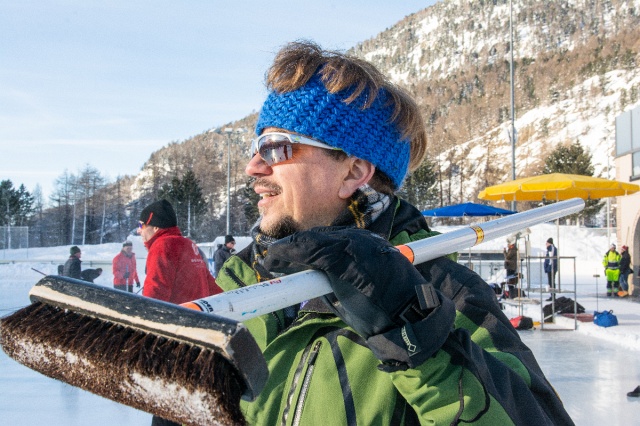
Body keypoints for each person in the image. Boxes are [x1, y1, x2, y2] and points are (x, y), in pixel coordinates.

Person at [213, 41, 573, 424]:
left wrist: (416, 335)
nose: (253, 167)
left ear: (353, 173)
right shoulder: (240, 282)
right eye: (256, 147)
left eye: (275, 148)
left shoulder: (446, 294)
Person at [137, 199, 222, 426]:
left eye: (141, 225)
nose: (139, 231)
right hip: (198, 338)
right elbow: (212, 288)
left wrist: (142, 335)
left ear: (155, 226)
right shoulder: (188, 244)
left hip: (173, 341)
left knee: (167, 408)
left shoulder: (162, 246)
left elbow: (155, 294)